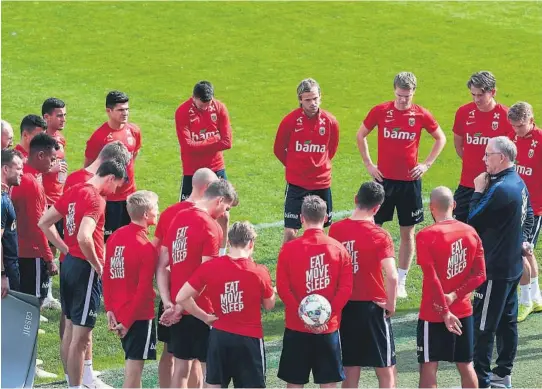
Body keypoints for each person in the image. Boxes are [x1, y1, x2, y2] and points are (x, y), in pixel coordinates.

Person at [356, 71, 447, 298]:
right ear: (394, 90)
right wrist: (368, 163)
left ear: (413, 92)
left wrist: (426, 164)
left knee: (408, 232)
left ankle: (402, 281)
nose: (402, 100)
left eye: (407, 96)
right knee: (374, 230)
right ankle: (374, 274)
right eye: (399, 95)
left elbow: (441, 138)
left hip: (409, 184)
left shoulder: (421, 114)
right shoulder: (381, 111)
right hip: (383, 182)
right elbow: (361, 135)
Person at [38, 160, 127, 388]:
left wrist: (64, 248)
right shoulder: (96, 199)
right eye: (116, 185)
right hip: (85, 270)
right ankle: (77, 386)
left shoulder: (75, 190)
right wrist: (97, 264)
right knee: (81, 337)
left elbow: (45, 222)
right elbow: (84, 237)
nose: (115, 191)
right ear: (110, 178)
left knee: (69, 328)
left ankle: (72, 382)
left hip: (69, 264)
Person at [173, 221, 275, 388]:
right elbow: (269, 305)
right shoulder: (259, 271)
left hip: (220, 337)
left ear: (228, 242)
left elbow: (181, 297)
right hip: (249, 340)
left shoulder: (210, 267)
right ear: (251, 243)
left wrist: (204, 317)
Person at [157, 180, 238, 389]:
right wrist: (180, 307)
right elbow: (205, 276)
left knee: (181, 368)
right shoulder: (211, 227)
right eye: (226, 208)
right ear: (219, 200)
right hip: (202, 308)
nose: (223, 213)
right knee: (210, 369)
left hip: (177, 306)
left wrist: (169, 303)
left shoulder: (178, 218)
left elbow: (162, 265)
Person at [468, 136, 534, 388]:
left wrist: (477, 190)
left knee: (483, 327)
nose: (484, 159)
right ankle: (502, 374)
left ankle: (481, 381)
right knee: (507, 323)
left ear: (502, 157)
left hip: (494, 270)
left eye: (488, 155)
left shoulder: (500, 188)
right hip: (513, 267)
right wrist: (525, 241)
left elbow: (472, 219)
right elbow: (529, 214)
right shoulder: (518, 182)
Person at [152, 167, 218, 389]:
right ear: (208, 189)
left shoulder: (171, 213)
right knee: (200, 361)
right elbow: (210, 265)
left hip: (171, 295)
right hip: (196, 301)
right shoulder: (209, 218)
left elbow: (160, 258)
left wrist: (169, 302)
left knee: (173, 354)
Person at [276, 195, 353, 388]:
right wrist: (325, 317)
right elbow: (345, 289)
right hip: (328, 329)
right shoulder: (339, 249)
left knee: (294, 383)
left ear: (301, 218)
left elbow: (283, 289)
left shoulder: (288, 249)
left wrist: (303, 316)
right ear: (326, 218)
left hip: (296, 328)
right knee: (328, 384)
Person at [328, 182, 398, 388]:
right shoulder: (380, 235)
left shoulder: (336, 229)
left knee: (350, 368)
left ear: (355, 199)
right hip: (373, 308)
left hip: (346, 306)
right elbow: (392, 276)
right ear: (377, 208)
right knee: (385, 370)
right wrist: (391, 304)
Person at [416, 186, 486, 389]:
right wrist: (455, 295)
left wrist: (445, 311)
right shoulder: (470, 232)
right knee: (466, 365)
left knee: (429, 366)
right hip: (463, 311)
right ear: (454, 205)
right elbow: (480, 275)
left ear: (431, 208)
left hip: (433, 312)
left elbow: (432, 278)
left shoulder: (426, 235)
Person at [103, 190, 159, 388]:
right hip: (138, 316)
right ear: (145, 214)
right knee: (134, 371)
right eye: (155, 208)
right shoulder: (145, 246)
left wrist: (109, 308)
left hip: (119, 310)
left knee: (132, 367)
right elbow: (144, 290)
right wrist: (127, 322)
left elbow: (107, 274)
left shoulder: (115, 237)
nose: (158, 212)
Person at [274, 78, 339, 245]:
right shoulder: (289, 121)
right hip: (297, 185)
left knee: (319, 233)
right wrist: (294, 167)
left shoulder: (331, 122)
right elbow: (278, 149)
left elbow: (331, 149)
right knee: (290, 233)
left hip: (321, 184)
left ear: (320, 97)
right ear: (300, 100)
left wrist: (319, 166)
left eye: (315, 98)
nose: (313, 103)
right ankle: (288, 268)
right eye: (308, 99)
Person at [175, 81, 232, 255]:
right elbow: (187, 146)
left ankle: (221, 253)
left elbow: (227, 142)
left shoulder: (220, 108)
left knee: (224, 214)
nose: (206, 108)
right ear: (194, 98)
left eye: (208, 104)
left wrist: (199, 143)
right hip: (193, 172)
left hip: (216, 168)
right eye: (202, 105)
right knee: (186, 212)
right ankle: (185, 252)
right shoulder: (183, 112)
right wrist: (214, 141)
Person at [452, 71, 514, 223]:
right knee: (458, 227)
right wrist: (471, 162)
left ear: (492, 92)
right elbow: (459, 145)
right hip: (467, 183)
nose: (476, 99)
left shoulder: (506, 116)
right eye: (473, 94)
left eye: (480, 95)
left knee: (488, 230)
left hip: (494, 185)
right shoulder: (463, 112)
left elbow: (511, 156)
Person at [84, 91, 142, 241]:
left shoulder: (134, 131)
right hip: (110, 199)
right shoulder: (99, 137)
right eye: (121, 110)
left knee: (130, 238)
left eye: (127, 109)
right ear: (108, 111)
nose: (125, 113)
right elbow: (89, 168)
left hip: (130, 196)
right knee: (108, 241)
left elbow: (133, 154)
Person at [11, 133, 59, 303]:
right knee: (33, 304)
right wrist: (49, 258)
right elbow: (38, 225)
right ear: (40, 155)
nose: (53, 163)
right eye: (52, 159)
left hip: (16, 250)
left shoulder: (20, 176)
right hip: (32, 254)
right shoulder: (31, 183)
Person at [508, 102, 542, 322]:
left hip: (534, 209)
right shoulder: (512, 138)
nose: (517, 131)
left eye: (520, 126)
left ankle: (525, 301)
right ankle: (536, 297)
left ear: (531, 120)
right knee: (527, 252)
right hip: (516, 206)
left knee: (519, 252)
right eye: (513, 126)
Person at [41, 97, 68, 310]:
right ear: (46, 117)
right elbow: (34, 168)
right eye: (59, 115)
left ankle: (48, 292)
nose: (63, 119)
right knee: (46, 246)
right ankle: (43, 292)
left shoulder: (61, 139)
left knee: (56, 245)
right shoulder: (39, 140)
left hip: (59, 199)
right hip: (45, 200)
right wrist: (53, 170)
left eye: (64, 115)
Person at [1, 149, 24, 296]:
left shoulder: (5, 195)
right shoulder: (2, 201)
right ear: (5, 169)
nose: (22, 173)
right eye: (19, 168)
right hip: (6, 271)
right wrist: (2, 275)